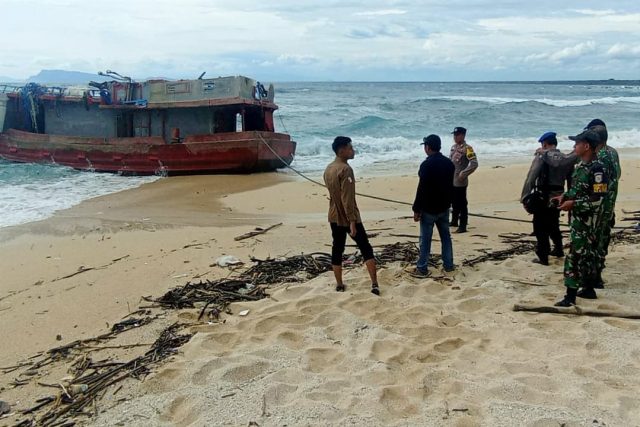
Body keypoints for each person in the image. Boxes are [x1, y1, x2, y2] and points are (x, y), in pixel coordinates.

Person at [553, 129, 608, 306]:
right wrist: (565, 196)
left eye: (577, 143)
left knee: (574, 256)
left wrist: (574, 204)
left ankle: (570, 296)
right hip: (579, 219)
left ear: (587, 146)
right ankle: (589, 289)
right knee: (586, 255)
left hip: (588, 221)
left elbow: (598, 199)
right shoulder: (581, 166)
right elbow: (579, 189)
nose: (574, 146)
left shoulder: (598, 169)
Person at [323, 136, 379, 295]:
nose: (353, 150)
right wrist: (352, 221)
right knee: (365, 247)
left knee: (337, 247)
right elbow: (347, 199)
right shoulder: (345, 169)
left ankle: (339, 284)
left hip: (333, 214)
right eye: (350, 148)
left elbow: (334, 195)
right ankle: (374, 283)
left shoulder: (328, 168)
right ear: (342, 151)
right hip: (347, 216)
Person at [520, 131, 575, 265]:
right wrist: (568, 196)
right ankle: (558, 248)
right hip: (559, 196)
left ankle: (543, 256)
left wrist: (524, 196)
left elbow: (532, 177)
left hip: (543, 196)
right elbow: (571, 180)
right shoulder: (565, 159)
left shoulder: (542, 157)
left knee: (539, 226)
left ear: (544, 144)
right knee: (553, 224)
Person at [584, 119, 621, 291]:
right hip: (610, 203)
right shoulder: (613, 152)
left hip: (599, 204)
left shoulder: (600, 156)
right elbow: (617, 175)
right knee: (603, 238)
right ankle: (597, 274)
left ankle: (593, 277)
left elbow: (596, 182)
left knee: (593, 239)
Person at [411, 134, 456, 277]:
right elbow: (451, 187)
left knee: (425, 240)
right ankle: (448, 265)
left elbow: (422, 188)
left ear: (428, 147)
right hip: (444, 207)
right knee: (446, 237)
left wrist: (416, 209)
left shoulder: (426, 165)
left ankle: (422, 267)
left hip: (429, 209)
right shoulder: (449, 163)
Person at [449, 126, 478, 233]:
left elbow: (474, 163)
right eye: (454, 135)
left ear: (463, 135)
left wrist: (464, 173)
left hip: (460, 181)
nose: (455, 137)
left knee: (461, 203)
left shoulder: (468, 148)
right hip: (452, 179)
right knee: (453, 201)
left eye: (457, 135)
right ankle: (454, 220)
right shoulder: (453, 147)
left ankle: (463, 225)